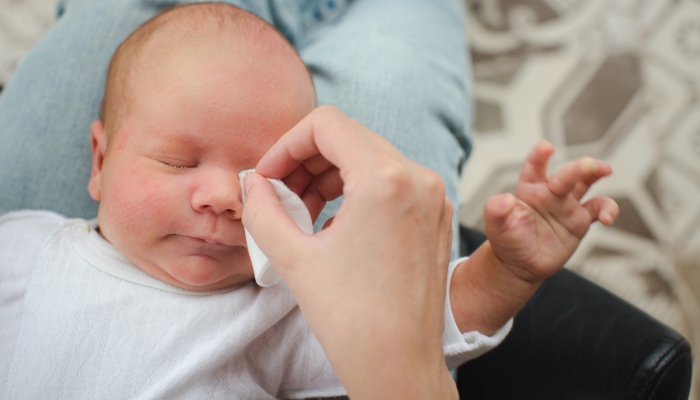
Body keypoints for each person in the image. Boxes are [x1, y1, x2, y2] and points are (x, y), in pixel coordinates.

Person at [0, 2, 619, 399]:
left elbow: (414, 326)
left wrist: (502, 272)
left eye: (260, 175)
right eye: (178, 162)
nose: (222, 197)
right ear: (100, 161)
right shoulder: (26, 249)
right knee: (398, 46)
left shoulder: (276, 313)